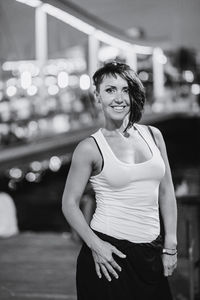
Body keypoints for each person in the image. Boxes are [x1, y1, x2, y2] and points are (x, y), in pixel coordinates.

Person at [62, 61, 177, 300]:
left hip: (151, 253)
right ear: (97, 96)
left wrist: (171, 245)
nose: (119, 98)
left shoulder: (154, 136)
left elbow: (166, 192)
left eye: (125, 89)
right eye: (110, 90)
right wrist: (96, 245)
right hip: (108, 257)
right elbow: (69, 203)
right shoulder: (89, 148)